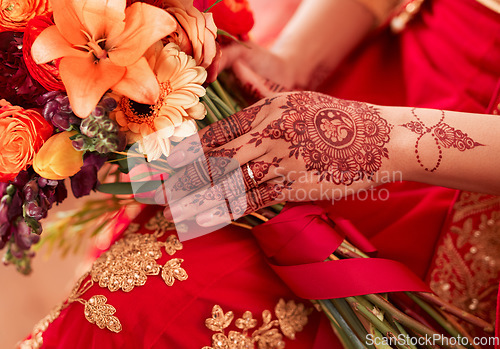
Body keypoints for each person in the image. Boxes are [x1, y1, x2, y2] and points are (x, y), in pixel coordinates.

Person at [19, 0, 500, 348]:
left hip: (461, 167)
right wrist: (293, 62)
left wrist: (378, 139)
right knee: (130, 299)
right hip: (351, 92)